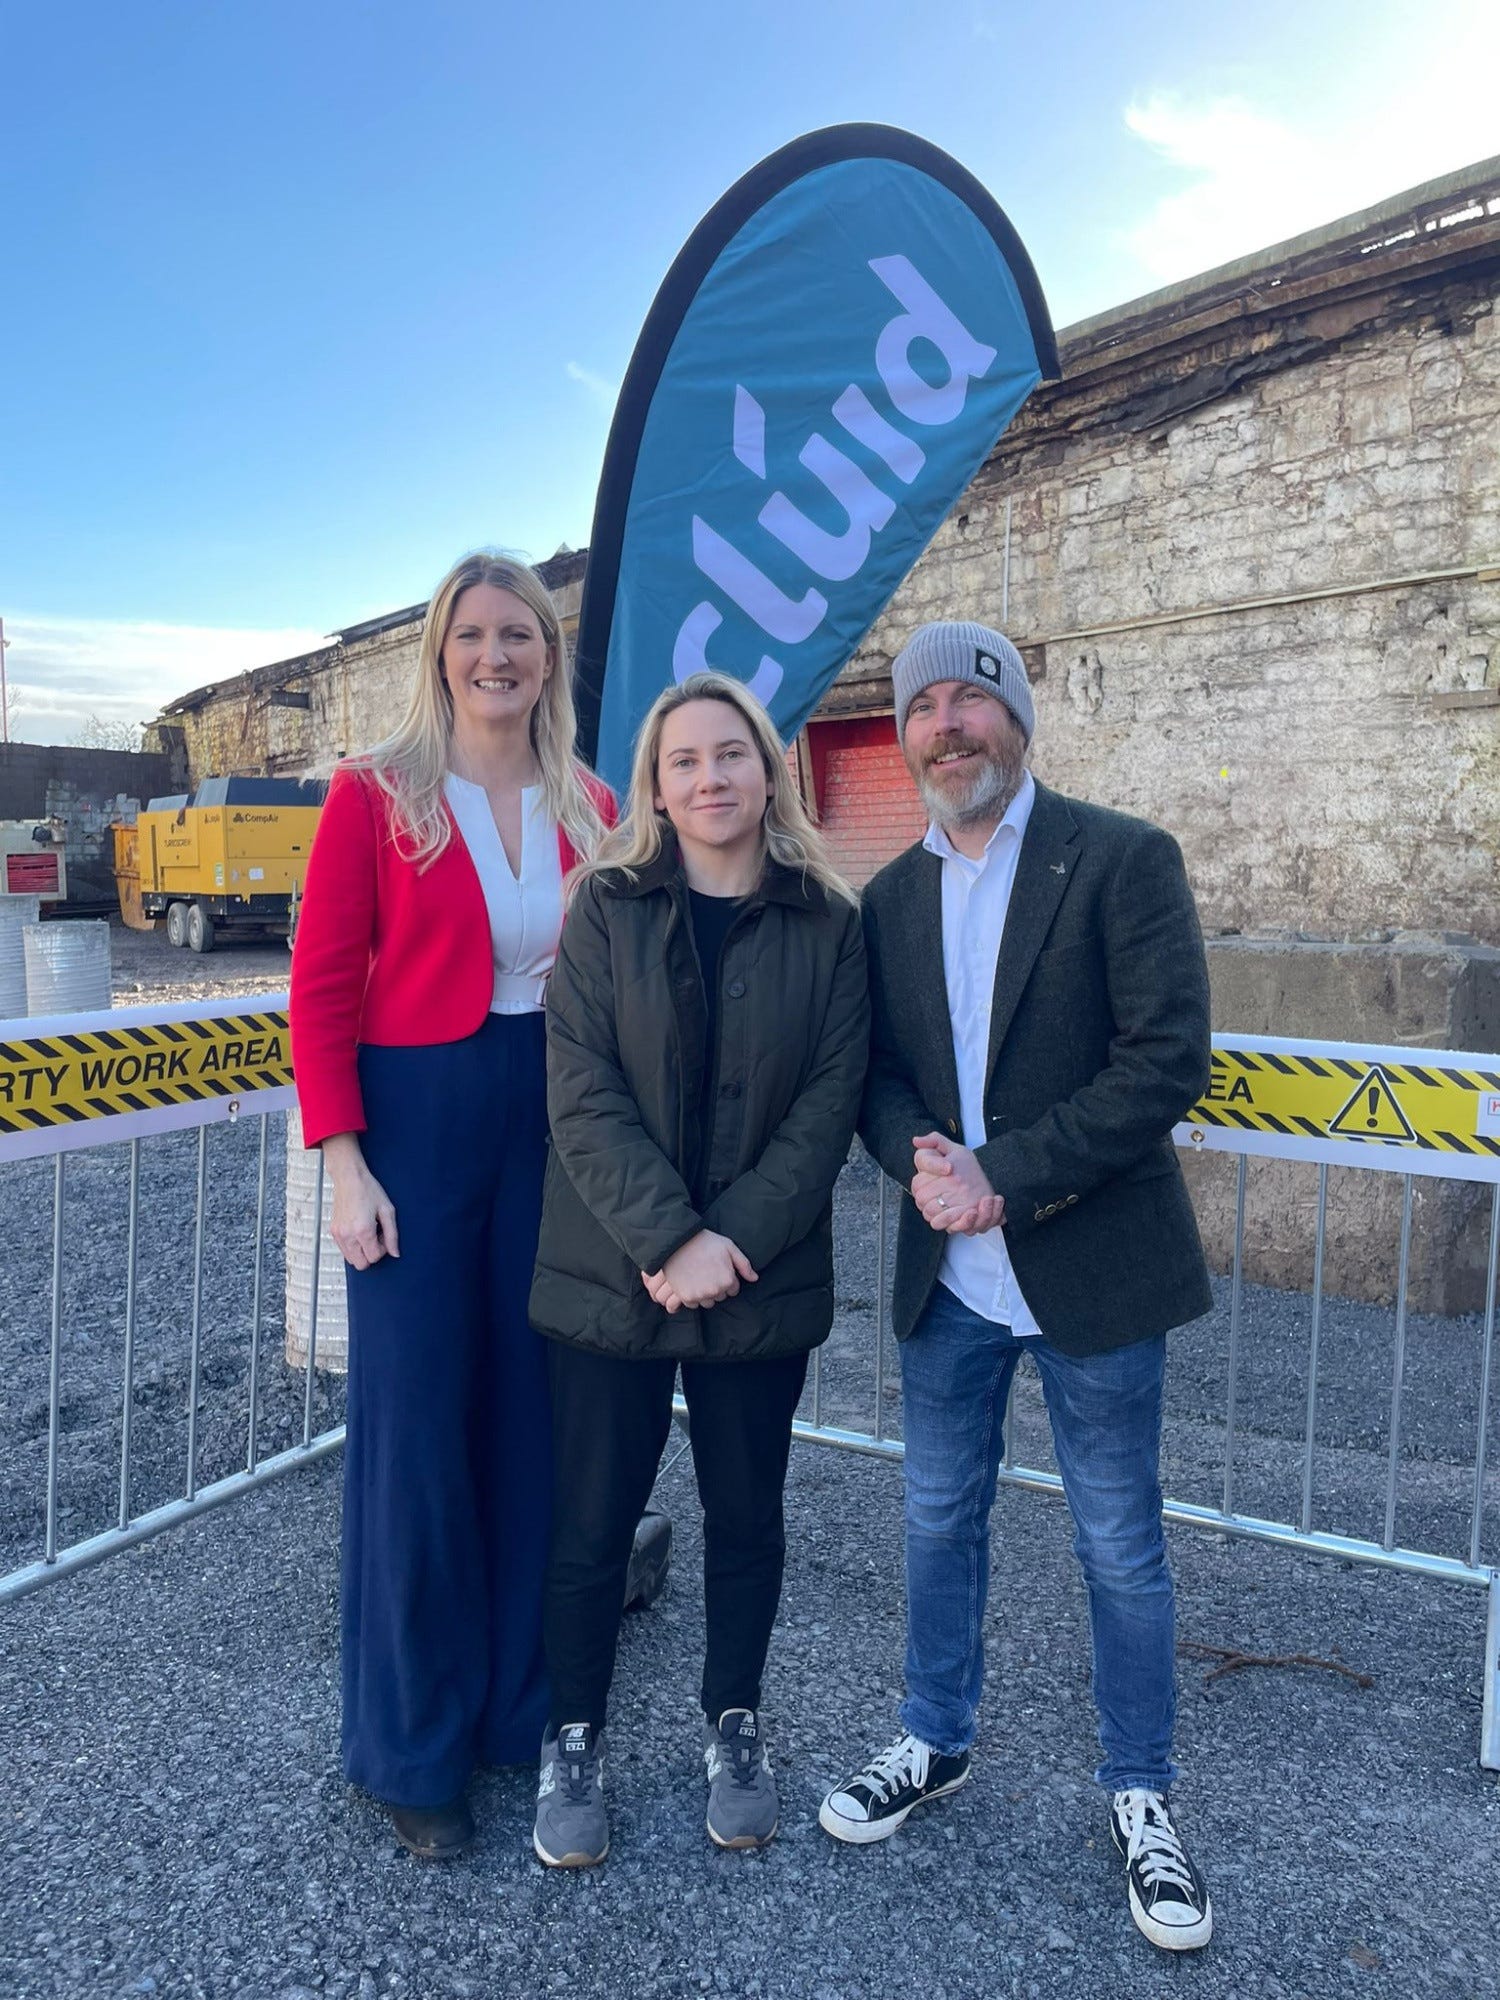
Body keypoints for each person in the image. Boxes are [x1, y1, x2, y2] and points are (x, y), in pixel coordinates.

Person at [818, 621, 1215, 1953]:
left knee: (1119, 1545)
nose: (945, 727)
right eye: (921, 706)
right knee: (939, 1520)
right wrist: (919, 1164)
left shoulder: (1121, 858)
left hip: (1091, 1268)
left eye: (969, 702)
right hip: (953, 1283)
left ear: (1017, 722)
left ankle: (1141, 1793)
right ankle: (935, 1739)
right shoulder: (888, 901)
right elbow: (872, 1074)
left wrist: (1001, 1172)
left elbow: (1164, 1064)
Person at [289, 550, 611, 1859]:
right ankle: (410, 1749)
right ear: (442, 652)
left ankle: (512, 1719)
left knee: (530, 1422)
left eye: (520, 635)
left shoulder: (591, 801)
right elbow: (319, 989)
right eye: (474, 634)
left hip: (549, 1121)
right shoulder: (376, 794)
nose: (497, 656)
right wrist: (344, 1161)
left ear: (548, 654)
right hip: (415, 1125)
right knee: (417, 1433)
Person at [527, 669, 869, 1868]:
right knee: (589, 1520)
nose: (711, 776)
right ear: (654, 786)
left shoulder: (830, 921)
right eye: (685, 760)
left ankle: (735, 1719)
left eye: (732, 754)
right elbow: (580, 1088)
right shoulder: (605, 906)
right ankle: (572, 1735)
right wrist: (669, 1236)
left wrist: (735, 1242)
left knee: (745, 1514)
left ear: (767, 768)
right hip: (609, 1272)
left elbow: (828, 1104)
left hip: (756, 1279)